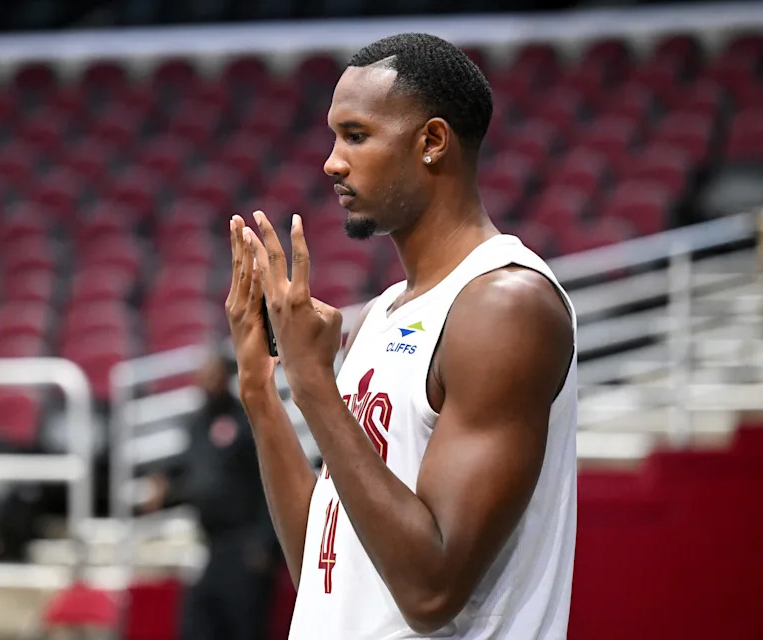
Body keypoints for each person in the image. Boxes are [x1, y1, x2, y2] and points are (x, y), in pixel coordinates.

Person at [224, 33, 576, 639]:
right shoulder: (382, 314)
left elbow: (431, 590)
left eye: (355, 135)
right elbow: (328, 567)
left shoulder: (505, 307)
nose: (331, 161)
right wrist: (261, 391)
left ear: (432, 142)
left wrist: (313, 383)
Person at [139, 350, 278, 640]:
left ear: (225, 375)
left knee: (244, 629)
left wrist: (265, 545)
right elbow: (193, 473)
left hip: (246, 546)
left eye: (213, 373)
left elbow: (272, 480)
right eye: (203, 374)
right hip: (212, 546)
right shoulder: (197, 424)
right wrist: (164, 486)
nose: (207, 380)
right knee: (195, 626)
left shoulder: (246, 421)